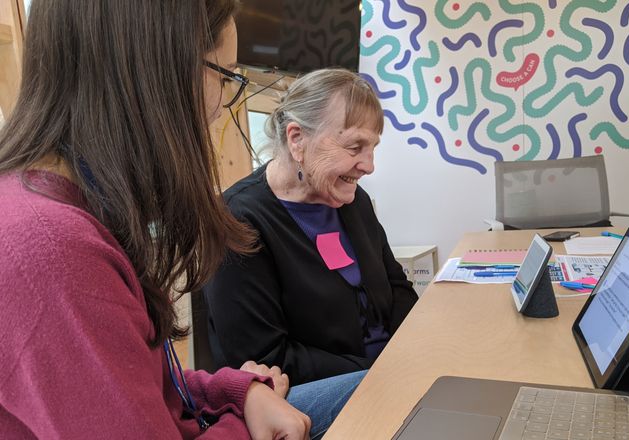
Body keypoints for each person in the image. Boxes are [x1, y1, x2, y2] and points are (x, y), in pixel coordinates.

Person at [0, 1, 363, 438]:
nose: (218, 109)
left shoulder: (67, 212)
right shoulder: (51, 250)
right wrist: (241, 422)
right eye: (225, 76)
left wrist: (239, 391)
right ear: (154, 70)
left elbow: (147, 385)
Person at [204, 69, 418, 386]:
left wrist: (414, 352)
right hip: (317, 393)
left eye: (372, 147)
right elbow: (264, 357)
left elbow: (397, 287)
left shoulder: (353, 201)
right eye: (354, 146)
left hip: (389, 373)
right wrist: (377, 374)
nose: (369, 165)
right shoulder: (237, 220)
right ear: (297, 139)